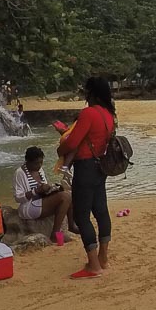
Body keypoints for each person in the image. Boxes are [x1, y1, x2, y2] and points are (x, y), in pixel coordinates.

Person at [58, 76, 118, 279]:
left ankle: (93, 265)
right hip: (101, 167)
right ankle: (103, 258)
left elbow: (73, 143)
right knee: (101, 211)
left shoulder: (88, 113)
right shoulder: (109, 115)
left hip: (85, 168)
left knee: (81, 216)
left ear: (91, 93)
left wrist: (61, 145)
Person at [14, 146, 72, 245]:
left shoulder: (40, 170)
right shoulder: (19, 173)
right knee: (65, 197)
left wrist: (52, 189)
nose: (39, 165)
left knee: (68, 193)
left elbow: (44, 187)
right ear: (28, 162)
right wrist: (35, 191)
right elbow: (18, 198)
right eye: (36, 163)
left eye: (41, 162)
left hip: (41, 200)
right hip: (29, 206)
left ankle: (70, 225)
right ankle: (56, 233)